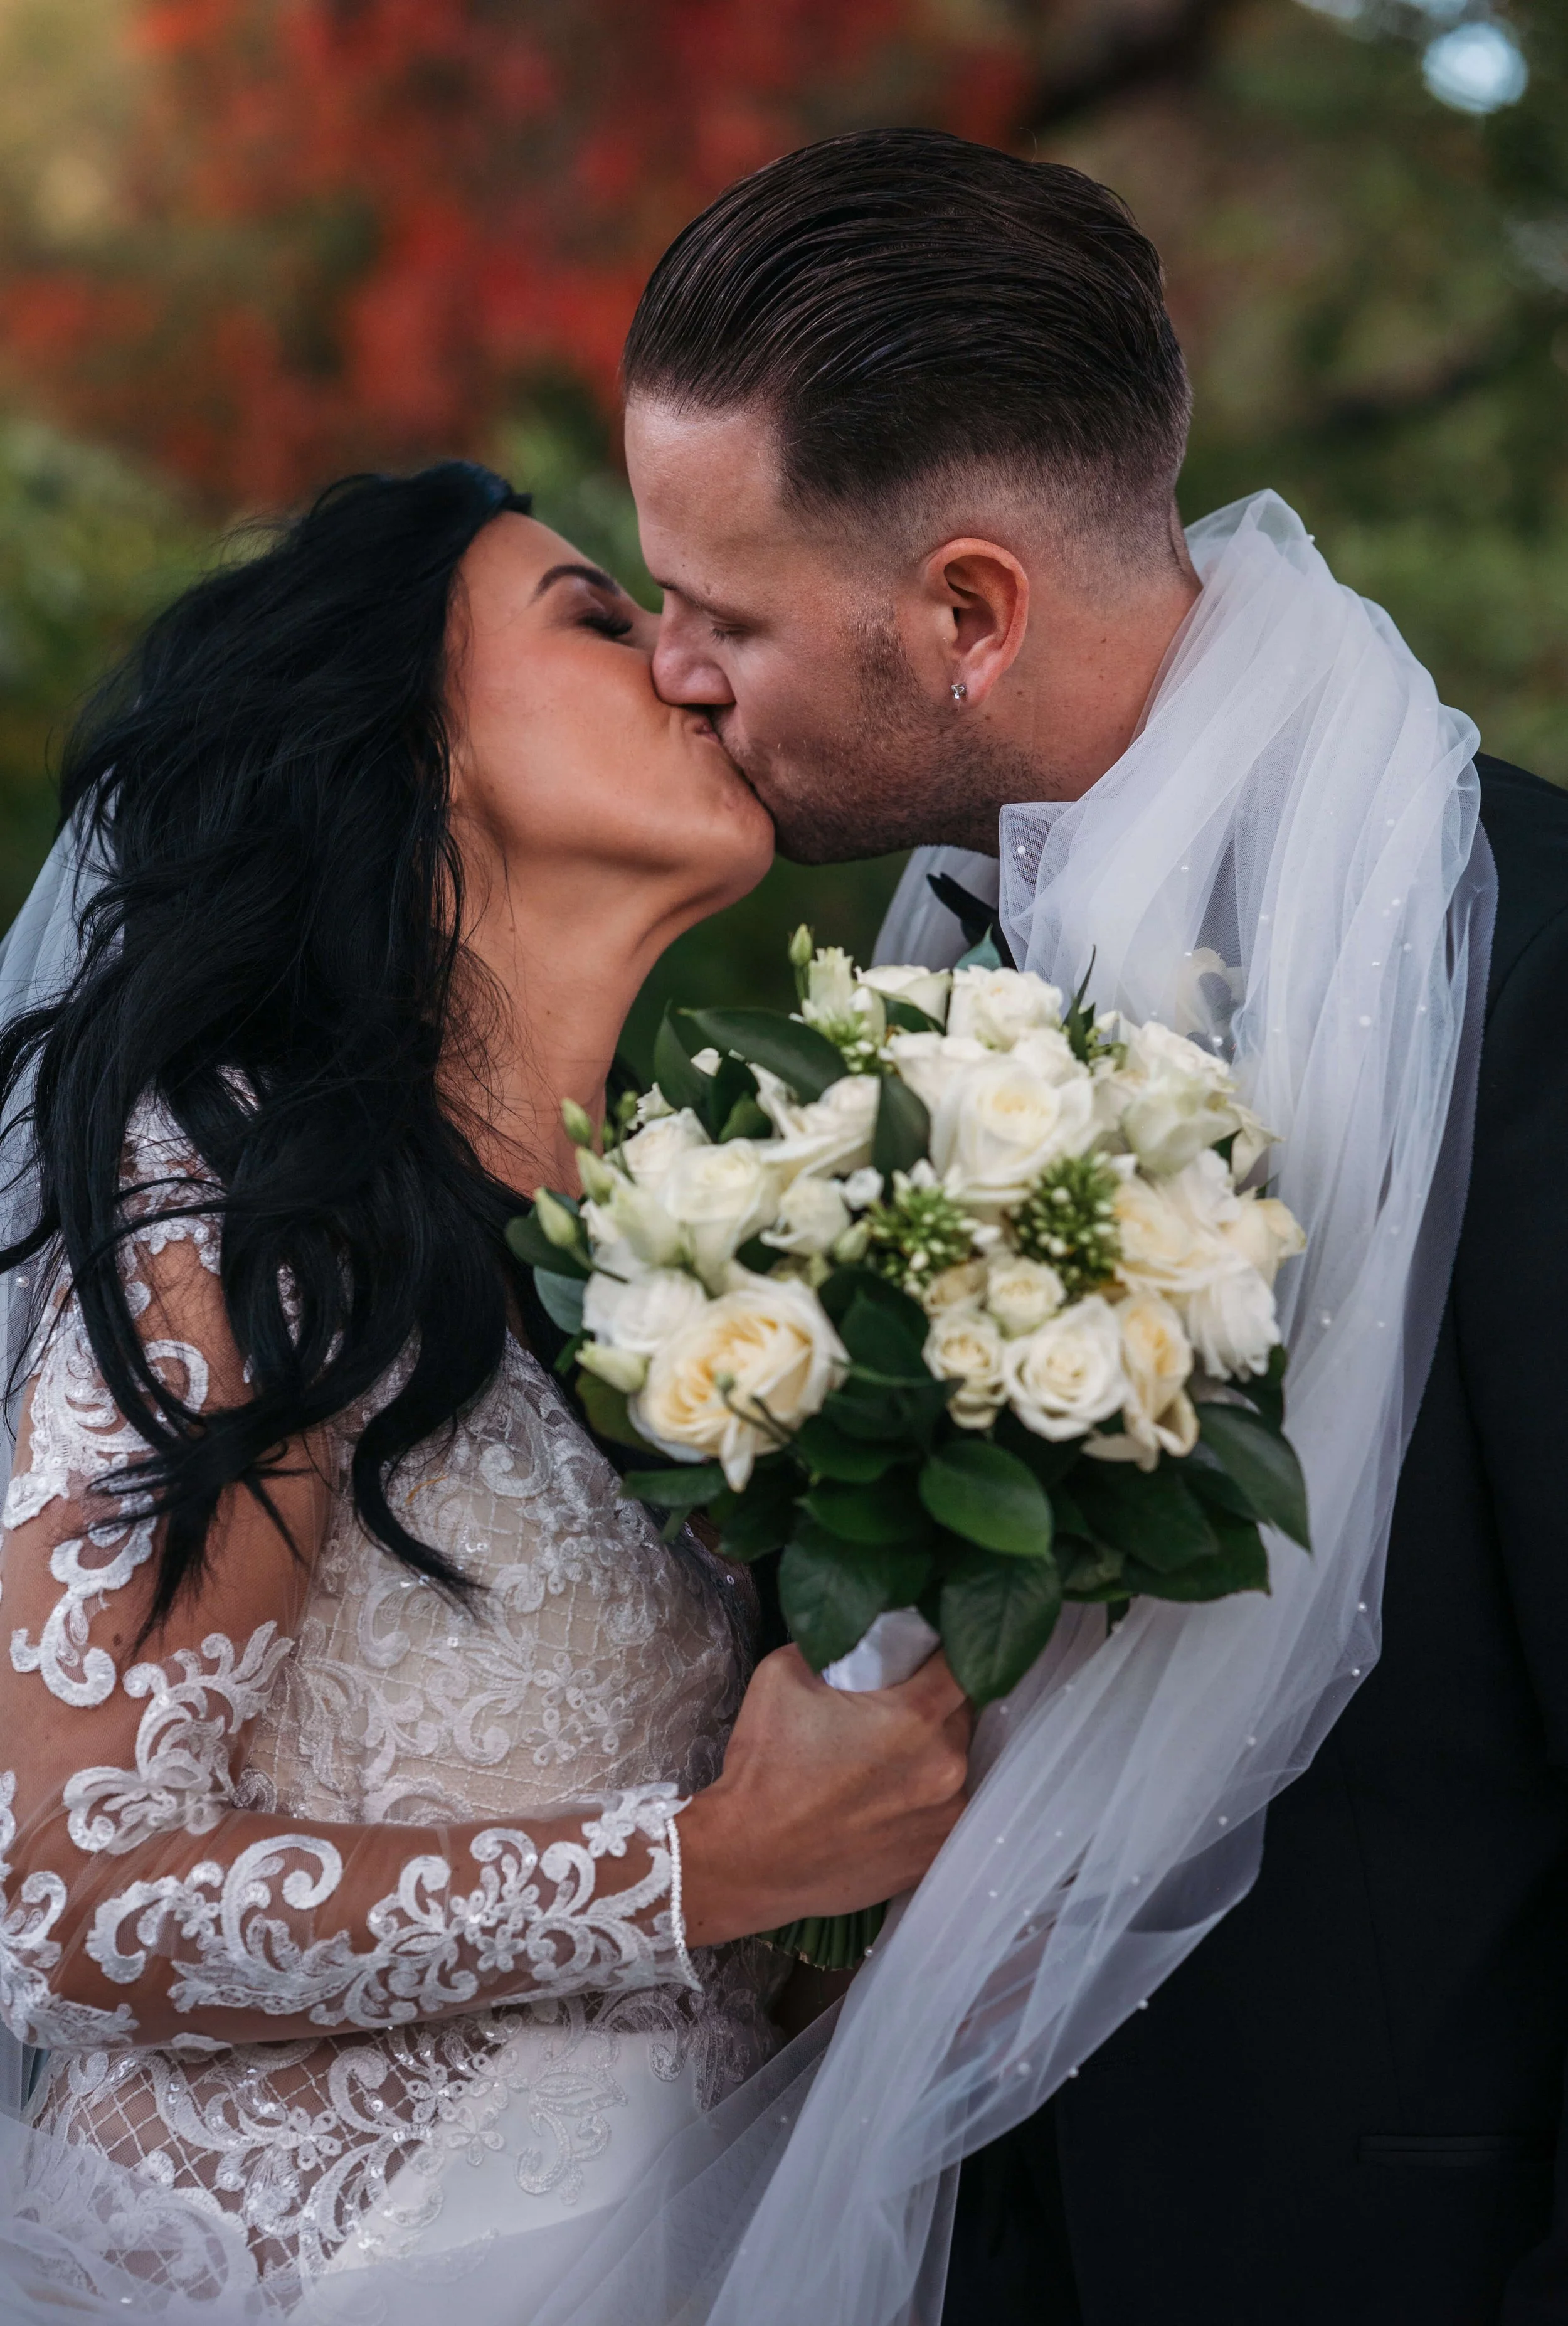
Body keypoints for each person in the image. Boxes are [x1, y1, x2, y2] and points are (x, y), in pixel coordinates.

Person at [619, 128, 1568, 2325]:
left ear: (967, 611)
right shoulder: (934, 966)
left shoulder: (1530, 974)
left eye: (720, 612)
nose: (672, 669)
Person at [0, 462, 971, 2316]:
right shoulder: (242, 1210)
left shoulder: (681, 1282)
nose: (691, 667)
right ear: (414, 747)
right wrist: (703, 1866)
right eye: (600, 618)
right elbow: (66, 1902)